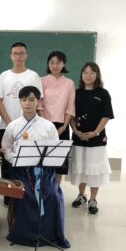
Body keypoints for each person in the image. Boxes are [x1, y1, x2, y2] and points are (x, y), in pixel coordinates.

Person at [2, 86, 69, 248]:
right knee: (26, 194)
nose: (27, 103)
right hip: (21, 171)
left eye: (32, 99)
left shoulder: (48, 126)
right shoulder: (13, 125)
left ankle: (49, 234)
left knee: (52, 194)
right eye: (24, 100)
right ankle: (26, 234)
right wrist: (17, 159)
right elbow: (6, 148)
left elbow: (55, 150)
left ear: (38, 101)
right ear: (20, 101)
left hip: (44, 171)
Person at [0, 42, 43, 205]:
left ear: (26, 55)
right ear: (11, 56)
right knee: (7, 163)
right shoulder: (4, 76)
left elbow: (38, 100)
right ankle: (8, 196)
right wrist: (11, 124)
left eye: (21, 53)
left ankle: (25, 195)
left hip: (30, 128)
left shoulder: (33, 76)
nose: (18, 56)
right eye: (15, 53)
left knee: (27, 162)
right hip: (6, 126)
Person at [69, 62, 114, 215]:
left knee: (94, 170)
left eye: (92, 72)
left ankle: (93, 199)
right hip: (79, 137)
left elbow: (106, 115)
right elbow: (70, 114)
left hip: (97, 139)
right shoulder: (76, 93)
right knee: (80, 168)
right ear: (81, 75)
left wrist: (95, 132)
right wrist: (75, 130)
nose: (88, 75)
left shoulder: (103, 93)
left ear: (97, 75)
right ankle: (81, 196)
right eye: (85, 72)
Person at [40, 51, 75, 185]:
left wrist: (65, 126)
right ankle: (44, 192)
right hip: (44, 125)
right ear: (48, 64)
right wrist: (46, 125)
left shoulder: (69, 83)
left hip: (62, 127)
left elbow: (70, 107)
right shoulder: (42, 80)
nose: (55, 65)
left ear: (63, 64)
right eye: (52, 63)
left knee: (59, 165)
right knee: (44, 162)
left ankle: (55, 192)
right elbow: (39, 105)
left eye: (58, 62)